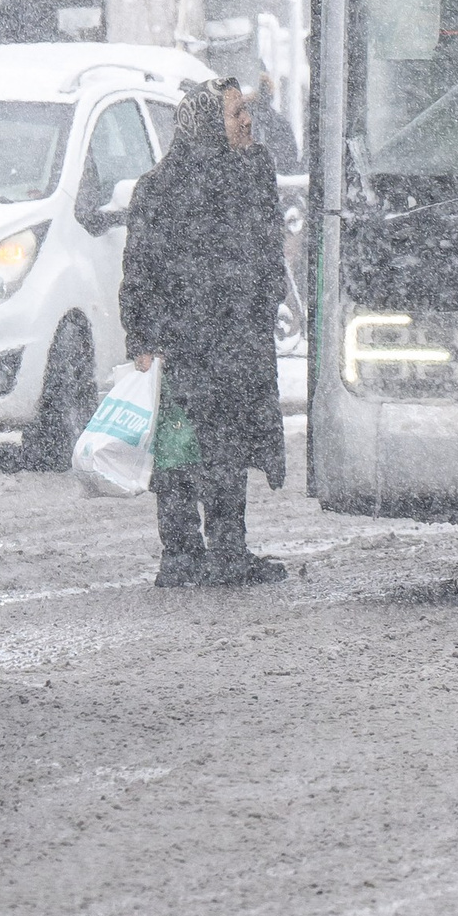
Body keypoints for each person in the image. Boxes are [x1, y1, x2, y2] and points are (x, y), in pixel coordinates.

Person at [119, 77, 290, 589]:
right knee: (187, 448)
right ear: (208, 124)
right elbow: (141, 268)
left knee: (217, 447)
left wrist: (265, 297)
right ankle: (188, 553)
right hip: (193, 344)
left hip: (223, 342)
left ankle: (215, 552)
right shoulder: (165, 186)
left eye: (244, 112)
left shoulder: (246, 173)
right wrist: (141, 336)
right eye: (235, 113)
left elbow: (266, 251)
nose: (246, 121)